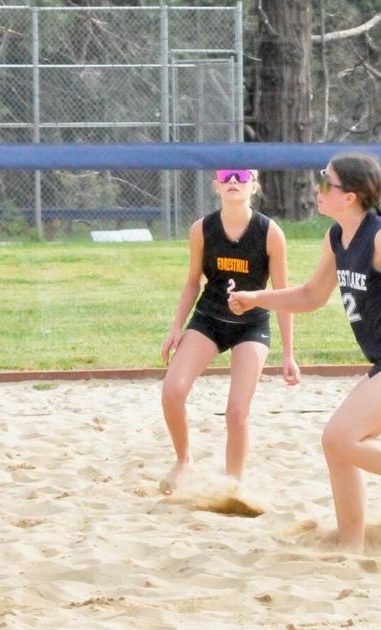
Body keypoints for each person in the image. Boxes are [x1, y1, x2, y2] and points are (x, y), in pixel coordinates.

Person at [228, 152, 381, 552]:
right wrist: (257, 298)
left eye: (324, 181)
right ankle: (352, 546)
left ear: (350, 196)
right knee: (339, 444)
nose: (317, 188)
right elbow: (312, 295)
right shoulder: (337, 237)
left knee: (339, 436)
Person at [159, 168, 300, 494]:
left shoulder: (269, 232)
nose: (233, 181)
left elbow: (282, 294)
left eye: (241, 176)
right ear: (216, 186)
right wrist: (176, 327)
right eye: (226, 177)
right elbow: (193, 282)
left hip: (251, 326)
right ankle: (184, 459)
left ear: (254, 185)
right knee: (172, 391)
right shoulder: (202, 230)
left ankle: (233, 484)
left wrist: (289, 354)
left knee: (237, 412)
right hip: (209, 320)